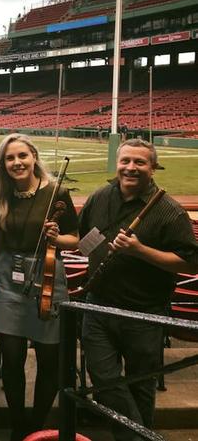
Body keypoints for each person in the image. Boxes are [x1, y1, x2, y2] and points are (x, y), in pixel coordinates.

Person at [78, 139, 198, 441]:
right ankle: (140, 438)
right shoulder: (100, 197)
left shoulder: (169, 210)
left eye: (139, 162)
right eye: (126, 161)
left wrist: (139, 250)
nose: (131, 168)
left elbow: (190, 265)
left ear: (153, 167)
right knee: (103, 379)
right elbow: (84, 241)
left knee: (140, 385)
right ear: (117, 163)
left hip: (144, 312)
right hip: (99, 306)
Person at [0, 134, 79, 441]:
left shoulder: (57, 192)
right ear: (4, 164)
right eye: (10, 158)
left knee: (49, 358)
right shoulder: (0, 196)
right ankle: (18, 426)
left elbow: (75, 239)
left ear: (34, 156)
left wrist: (55, 237)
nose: (17, 163)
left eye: (22, 156)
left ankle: (37, 425)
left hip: (48, 275)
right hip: (9, 278)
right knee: (12, 359)